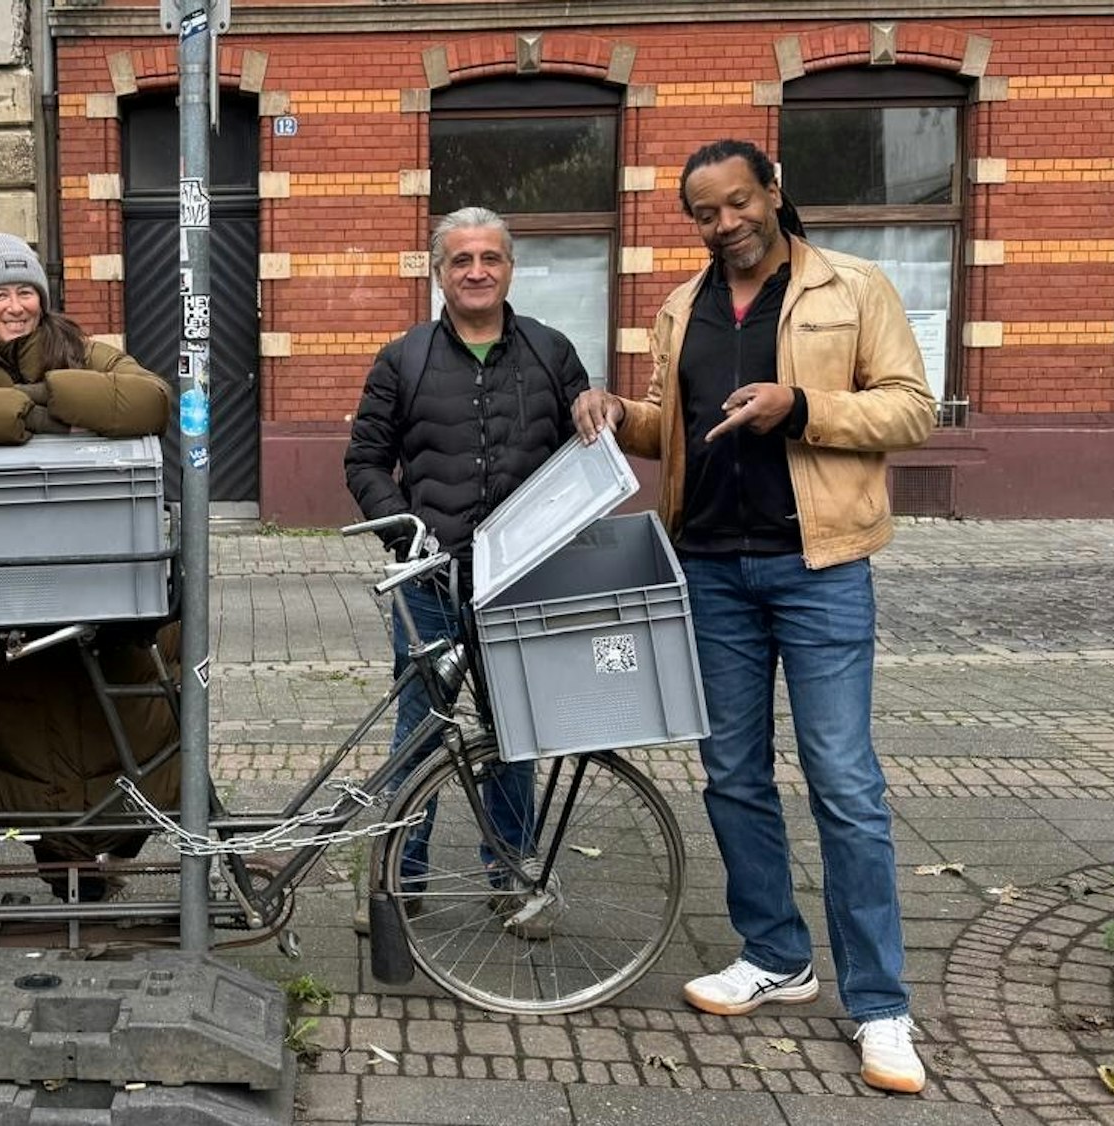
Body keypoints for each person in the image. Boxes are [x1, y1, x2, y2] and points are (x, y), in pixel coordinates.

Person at [572, 139, 935, 1094]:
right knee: (731, 774)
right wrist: (618, 412)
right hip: (710, 568)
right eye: (704, 211)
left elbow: (910, 410)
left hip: (818, 568)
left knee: (844, 782)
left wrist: (801, 404)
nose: (725, 223)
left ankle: (880, 1005)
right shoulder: (681, 308)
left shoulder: (851, 288)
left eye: (738, 202)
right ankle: (775, 952)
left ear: (774, 192)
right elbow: (672, 423)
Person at [0, 232, 175, 900]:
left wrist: (52, 386)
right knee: (29, 737)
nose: (16, 304)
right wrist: (32, 411)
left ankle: (114, 848)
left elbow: (150, 400)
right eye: (0, 292)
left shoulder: (88, 353)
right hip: (11, 594)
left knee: (126, 727)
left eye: (26, 290)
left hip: (104, 585)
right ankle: (61, 872)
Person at [344, 205, 592, 932]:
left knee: (515, 733)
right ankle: (398, 880)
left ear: (509, 268)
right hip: (431, 583)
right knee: (419, 732)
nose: (476, 271)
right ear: (439, 272)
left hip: (523, 581)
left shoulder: (552, 353)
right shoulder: (404, 359)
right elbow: (363, 460)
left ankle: (513, 877)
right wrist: (406, 535)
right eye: (461, 260)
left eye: (489, 258)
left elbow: (586, 453)